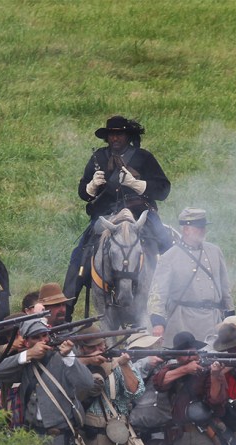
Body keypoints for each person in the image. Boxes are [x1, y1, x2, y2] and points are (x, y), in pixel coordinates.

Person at [64, 116, 172, 306]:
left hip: (139, 214)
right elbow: (83, 192)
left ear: (127, 136)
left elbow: (163, 189)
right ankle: (65, 311)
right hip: (105, 215)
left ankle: (171, 294)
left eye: (119, 134)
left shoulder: (144, 157)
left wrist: (137, 185)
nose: (115, 139)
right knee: (80, 254)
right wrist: (91, 186)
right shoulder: (98, 157)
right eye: (112, 135)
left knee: (167, 247)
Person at [0, 318, 95, 445]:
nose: (43, 340)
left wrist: (69, 357)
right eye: (36, 337)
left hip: (61, 437)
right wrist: (27, 354)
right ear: (27, 342)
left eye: (44, 335)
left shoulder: (63, 358)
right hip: (31, 436)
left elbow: (88, 383)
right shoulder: (23, 362)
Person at [148, 208, 234, 345]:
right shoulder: (169, 257)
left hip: (213, 320)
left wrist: (230, 315)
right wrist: (158, 323)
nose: (203, 230)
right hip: (183, 322)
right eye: (199, 227)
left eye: (203, 227)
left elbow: (225, 287)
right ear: (186, 229)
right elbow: (157, 293)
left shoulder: (215, 251)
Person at [76, 327, 143, 445]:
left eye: (99, 345)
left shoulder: (116, 361)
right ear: (81, 348)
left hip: (115, 435)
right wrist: (86, 362)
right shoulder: (75, 365)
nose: (97, 349)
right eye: (91, 347)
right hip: (87, 435)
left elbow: (135, 391)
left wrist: (123, 364)